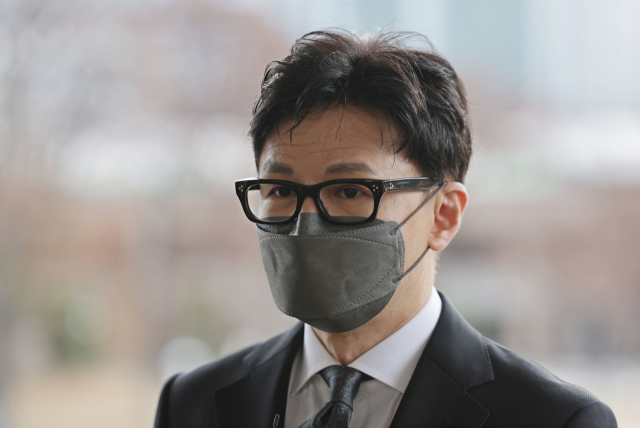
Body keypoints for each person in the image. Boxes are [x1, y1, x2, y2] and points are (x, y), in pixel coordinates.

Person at [154, 30, 617, 428]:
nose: (304, 223)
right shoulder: (192, 404)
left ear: (444, 215)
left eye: (350, 190)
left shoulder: (553, 419)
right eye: (280, 190)